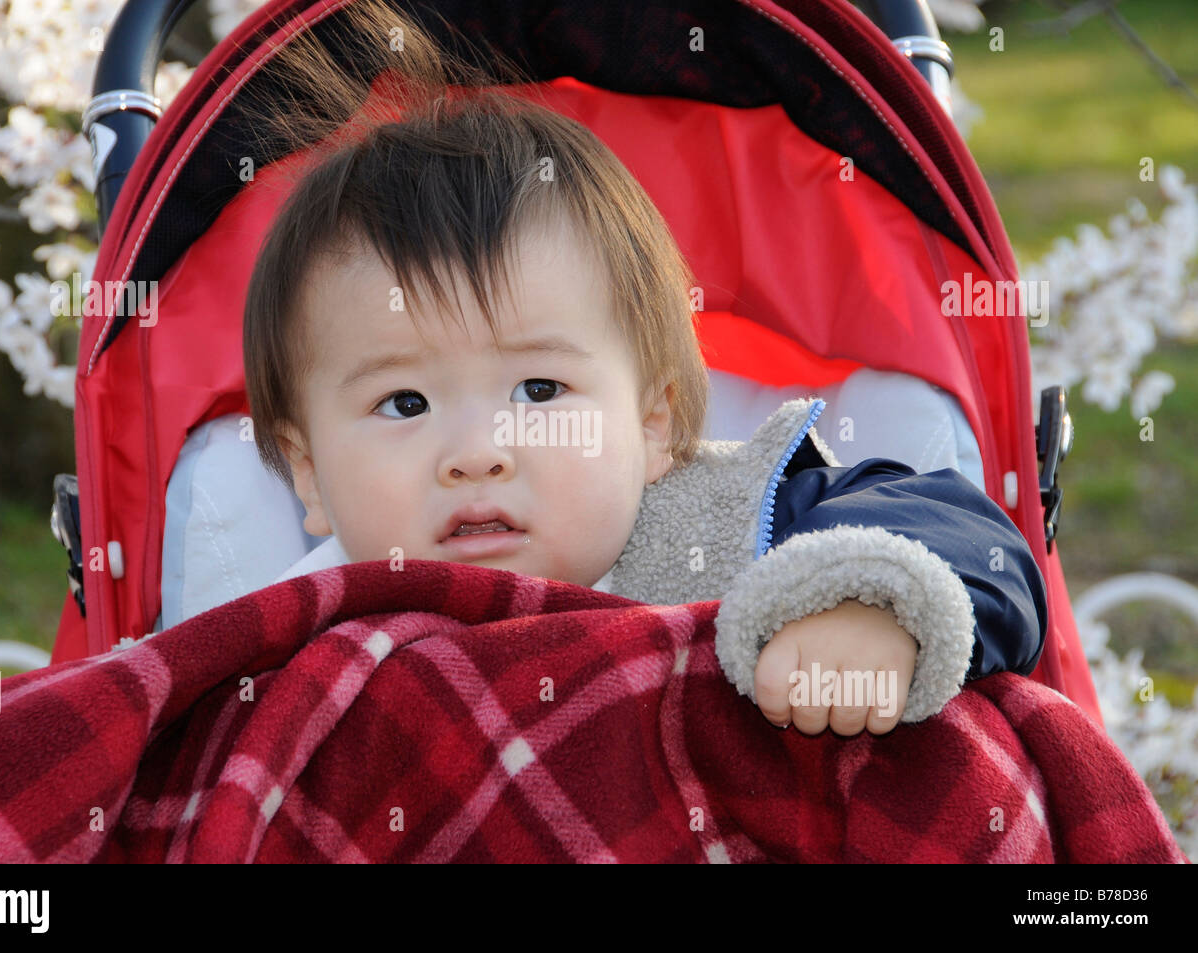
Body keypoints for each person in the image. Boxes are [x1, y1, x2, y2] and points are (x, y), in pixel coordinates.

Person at [241, 0, 1046, 737]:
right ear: (308, 471)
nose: (477, 452)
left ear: (653, 423)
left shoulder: (744, 525)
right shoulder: (291, 644)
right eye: (404, 401)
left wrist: (871, 605)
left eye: (540, 389)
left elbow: (987, 549)